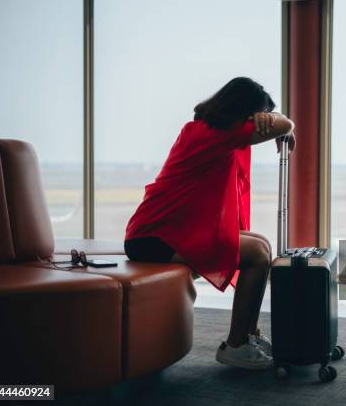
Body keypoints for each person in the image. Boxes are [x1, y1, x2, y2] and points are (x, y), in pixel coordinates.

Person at [124, 77, 295, 370]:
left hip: (169, 229)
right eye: (258, 117)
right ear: (245, 112)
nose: (261, 124)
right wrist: (283, 125)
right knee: (258, 255)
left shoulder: (210, 131)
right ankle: (236, 345)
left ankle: (248, 334)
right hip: (154, 237)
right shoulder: (214, 134)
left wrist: (273, 122)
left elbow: (275, 126)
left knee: (261, 243)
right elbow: (284, 124)